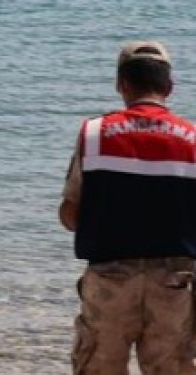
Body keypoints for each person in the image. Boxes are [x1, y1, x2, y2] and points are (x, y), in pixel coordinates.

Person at [59, 41, 196, 375]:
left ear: (121, 84)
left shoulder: (93, 134)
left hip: (110, 278)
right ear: (169, 87)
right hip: (174, 282)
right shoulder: (193, 139)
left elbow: (69, 215)